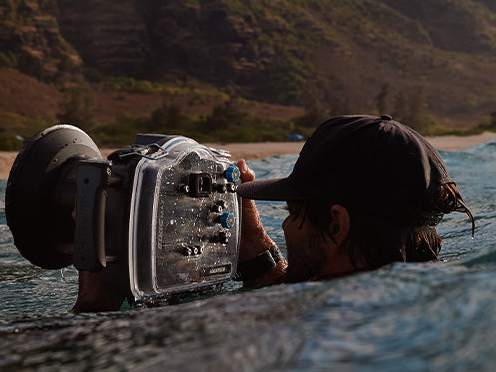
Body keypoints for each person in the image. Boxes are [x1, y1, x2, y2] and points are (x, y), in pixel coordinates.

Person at [73, 115, 474, 312]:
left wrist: (97, 297)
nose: (285, 226)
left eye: (292, 211)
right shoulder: (429, 297)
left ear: (337, 223)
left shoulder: (326, 326)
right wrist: (253, 243)